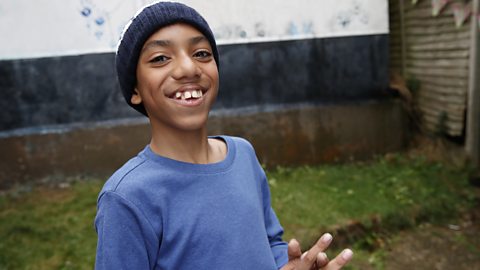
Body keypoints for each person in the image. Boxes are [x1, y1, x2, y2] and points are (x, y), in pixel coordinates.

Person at [94, 2, 353, 269]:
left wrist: (286, 264)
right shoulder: (126, 197)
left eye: (202, 53)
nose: (188, 68)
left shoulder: (243, 155)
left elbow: (269, 241)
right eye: (160, 58)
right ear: (134, 89)